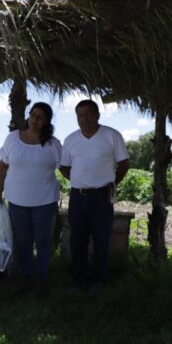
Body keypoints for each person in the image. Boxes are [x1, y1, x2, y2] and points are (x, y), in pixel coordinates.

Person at [59, 99, 130, 289]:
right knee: (78, 239)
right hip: (78, 196)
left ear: (97, 115)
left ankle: (99, 278)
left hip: (102, 197)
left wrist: (113, 183)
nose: (85, 118)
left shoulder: (111, 135)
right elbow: (64, 166)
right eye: (80, 115)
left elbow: (123, 164)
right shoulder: (71, 139)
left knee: (101, 238)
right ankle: (79, 278)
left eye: (89, 114)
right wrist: (78, 180)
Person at [0, 102, 62, 294]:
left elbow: (65, 168)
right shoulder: (13, 139)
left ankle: (41, 280)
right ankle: (25, 278)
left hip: (45, 201)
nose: (35, 120)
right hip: (17, 201)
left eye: (40, 117)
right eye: (32, 115)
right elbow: (2, 168)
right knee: (24, 241)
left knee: (42, 241)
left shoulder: (53, 144)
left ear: (47, 121)